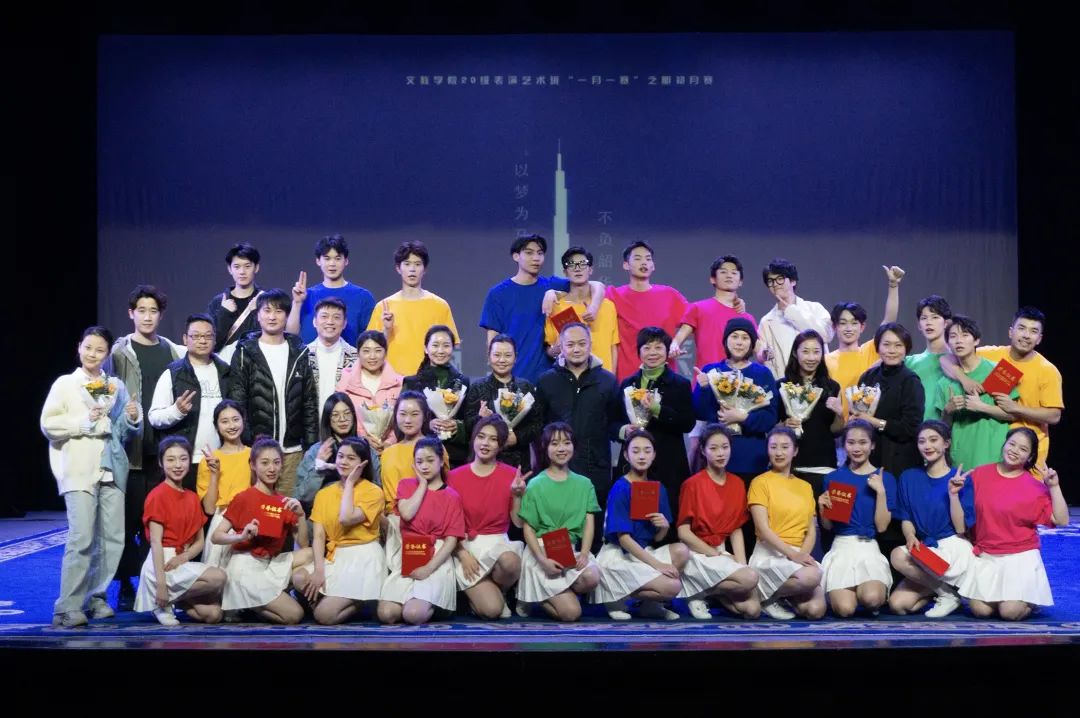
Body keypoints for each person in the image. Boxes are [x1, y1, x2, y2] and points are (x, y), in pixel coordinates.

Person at [41, 326, 141, 627]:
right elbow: (49, 425)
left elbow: (122, 431)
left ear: (107, 354)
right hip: (79, 470)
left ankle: (96, 597)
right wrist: (83, 422)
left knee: (112, 539)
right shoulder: (66, 384)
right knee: (82, 538)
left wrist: (131, 417)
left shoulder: (114, 386)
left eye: (99, 350)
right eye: (88, 348)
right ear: (79, 347)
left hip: (112, 468)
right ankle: (68, 606)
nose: (93, 354)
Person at [104, 285, 185, 607]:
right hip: (131, 450)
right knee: (128, 521)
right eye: (142, 311)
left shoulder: (172, 351)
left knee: (160, 523)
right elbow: (103, 391)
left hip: (163, 450)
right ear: (131, 313)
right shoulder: (119, 353)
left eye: (153, 311)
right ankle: (125, 583)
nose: (147, 317)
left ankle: (154, 583)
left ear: (161, 315)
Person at [959, 429, 1069, 621]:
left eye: (1023, 449)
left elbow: (1061, 520)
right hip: (987, 554)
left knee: (1009, 612)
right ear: (1004, 444)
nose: (1015, 450)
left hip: (1020, 557)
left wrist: (1054, 486)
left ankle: (1031, 601)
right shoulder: (979, 474)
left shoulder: (1034, 487)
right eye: (1012, 444)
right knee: (980, 611)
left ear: (1030, 457)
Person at [941, 306, 1063, 470]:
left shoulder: (1047, 370)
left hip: (1027, 452)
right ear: (1010, 332)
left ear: (1039, 338)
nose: (1026, 335)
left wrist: (1016, 408)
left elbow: (1054, 416)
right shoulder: (991, 354)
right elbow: (946, 359)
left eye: (1033, 331)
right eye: (1021, 328)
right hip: (995, 445)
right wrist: (964, 380)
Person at [227, 289, 319, 497]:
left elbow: (309, 402)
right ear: (258, 315)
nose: (272, 316)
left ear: (286, 316)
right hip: (257, 450)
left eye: (278, 311)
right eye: (267, 311)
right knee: (256, 508)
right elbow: (237, 401)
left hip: (293, 451)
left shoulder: (299, 351)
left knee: (289, 508)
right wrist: (248, 441)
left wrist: (311, 447)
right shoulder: (245, 352)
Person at [212, 437, 313, 625]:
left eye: (276, 462)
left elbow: (303, 544)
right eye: (265, 463)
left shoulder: (284, 502)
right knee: (294, 615)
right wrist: (241, 536)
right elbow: (216, 536)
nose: (271, 468)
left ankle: (249, 603)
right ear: (253, 465)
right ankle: (246, 600)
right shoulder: (244, 497)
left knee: (310, 553)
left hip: (269, 564)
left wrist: (301, 515)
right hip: (245, 567)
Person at [481, 234, 602, 384]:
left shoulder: (551, 284)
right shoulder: (498, 294)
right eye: (529, 253)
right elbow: (492, 338)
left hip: (548, 378)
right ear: (516, 256)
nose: (536, 258)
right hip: (512, 376)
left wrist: (593, 305)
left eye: (540, 253)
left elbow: (595, 285)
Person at [594, 430, 688, 621]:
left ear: (654, 455)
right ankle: (615, 596)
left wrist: (663, 527)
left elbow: (657, 538)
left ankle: (649, 605)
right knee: (672, 586)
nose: (642, 456)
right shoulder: (620, 488)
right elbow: (624, 539)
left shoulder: (658, 489)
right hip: (619, 554)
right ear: (626, 455)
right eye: (635, 451)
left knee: (682, 551)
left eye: (647, 450)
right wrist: (658, 565)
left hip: (644, 550)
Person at [292, 436, 386, 625]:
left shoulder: (373, 492)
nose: (343, 462)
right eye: (341, 456)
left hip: (364, 557)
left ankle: (361, 601)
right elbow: (319, 536)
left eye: (351, 458)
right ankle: (332, 602)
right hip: (336, 556)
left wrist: (350, 483)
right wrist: (319, 570)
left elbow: (346, 518)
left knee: (324, 616)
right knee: (299, 577)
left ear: (363, 463)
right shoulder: (324, 494)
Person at [888, 421, 977, 618]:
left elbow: (960, 528)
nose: (927, 446)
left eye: (933, 440)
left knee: (898, 555)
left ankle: (948, 591)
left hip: (953, 550)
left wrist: (953, 494)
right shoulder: (908, 477)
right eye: (922, 441)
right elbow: (906, 517)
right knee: (897, 605)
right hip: (925, 552)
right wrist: (910, 536)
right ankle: (946, 593)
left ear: (946, 443)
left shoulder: (960, 478)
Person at [135, 436, 226, 626]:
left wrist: (183, 557)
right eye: (171, 459)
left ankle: (168, 600)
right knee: (218, 577)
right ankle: (160, 596)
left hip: (180, 561)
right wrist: (161, 584)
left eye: (183, 459)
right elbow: (156, 542)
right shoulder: (157, 495)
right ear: (161, 462)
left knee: (214, 615)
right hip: (161, 564)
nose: (177, 465)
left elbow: (200, 542)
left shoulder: (192, 497)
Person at [515, 422, 602, 621]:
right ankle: (535, 594)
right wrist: (542, 560)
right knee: (571, 614)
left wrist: (585, 553)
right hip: (541, 551)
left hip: (569, 549)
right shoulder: (535, 484)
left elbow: (589, 523)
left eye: (566, 443)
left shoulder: (585, 484)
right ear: (545, 448)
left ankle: (552, 593)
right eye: (554, 444)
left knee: (592, 577)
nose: (561, 448)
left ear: (574, 446)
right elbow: (528, 528)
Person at [677, 424, 762, 620]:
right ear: (703, 450)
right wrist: (714, 554)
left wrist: (741, 563)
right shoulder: (692, 484)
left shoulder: (737, 483)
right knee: (750, 579)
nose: (720, 453)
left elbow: (736, 528)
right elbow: (683, 532)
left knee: (753, 610)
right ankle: (695, 589)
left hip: (722, 552)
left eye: (725, 447)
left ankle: (703, 591)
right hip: (698, 552)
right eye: (713, 448)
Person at [378, 437, 466, 625]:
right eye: (419, 462)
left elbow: (451, 540)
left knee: (413, 615)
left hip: (436, 558)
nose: (424, 466)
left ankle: (437, 606)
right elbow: (407, 514)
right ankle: (420, 601)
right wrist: (423, 486)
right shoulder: (406, 485)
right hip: (409, 553)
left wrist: (429, 568)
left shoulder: (452, 496)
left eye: (430, 460)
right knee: (386, 614)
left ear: (441, 461)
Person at [448, 416, 528, 619]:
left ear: (501, 445)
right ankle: (483, 597)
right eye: (481, 437)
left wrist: (518, 496)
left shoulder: (511, 475)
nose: (485, 443)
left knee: (511, 562)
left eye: (493, 439)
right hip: (465, 546)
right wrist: (462, 554)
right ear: (473, 439)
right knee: (492, 611)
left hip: (497, 544)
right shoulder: (454, 476)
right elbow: (447, 524)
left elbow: (518, 523)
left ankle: (499, 590)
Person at [535, 322, 620, 511]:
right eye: (570, 344)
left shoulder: (607, 381)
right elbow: (538, 425)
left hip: (596, 467)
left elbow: (614, 422)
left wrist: (625, 430)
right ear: (561, 346)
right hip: (556, 467)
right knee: (557, 520)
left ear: (590, 344)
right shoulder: (546, 380)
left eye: (582, 344)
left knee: (593, 522)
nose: (576, 349)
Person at [818, 420, 896, 617]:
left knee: (872, 599)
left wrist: (881, 492)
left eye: (863, 442)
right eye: (851, 442)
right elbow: (828, 526)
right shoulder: (833, 478)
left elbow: (882, 527)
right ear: (844, 445)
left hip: (869, 547)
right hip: (841, 547)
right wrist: (822, 507)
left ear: (872, 445)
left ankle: (871, 594)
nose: (856, 448)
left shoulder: (885, 478)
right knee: (844, 610)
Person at [614, 327, 695, 516]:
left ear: (667, 352)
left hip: (668, 464)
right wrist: (624, 430)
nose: (652, 353)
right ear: (639, 352)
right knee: (631, 517)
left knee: (665, 518)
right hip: (633, 464)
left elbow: (687, 422)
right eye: (647, 347)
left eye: (658, 347)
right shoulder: (627, 383)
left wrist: (658, 410)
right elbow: (613, 421)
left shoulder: (680, 384)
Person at [747, 427, 826, 620]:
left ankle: (778, 595)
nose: (779, 452)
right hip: (770, 553)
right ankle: (764, 596)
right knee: (812, 576)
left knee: (815, 610)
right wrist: (792, 554)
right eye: (773, 447)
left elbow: (811, 530)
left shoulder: (805, 486)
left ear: (795, 450)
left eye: (785, 447)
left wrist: (801, 555)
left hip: (797, 556)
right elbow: (763, 529)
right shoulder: (760, 482)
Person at [148, 313, 232, 491]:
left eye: (208, 336)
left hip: (218, 459)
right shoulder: (173, 373)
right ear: (185, 339)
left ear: (214, 339)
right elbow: (154, 417)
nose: (202, 341)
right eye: (196, 336)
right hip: (184, 461)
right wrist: (176, 411)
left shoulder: (226, 372)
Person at [692, 317, 779, 482]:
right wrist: (703, 389)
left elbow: (771, 418)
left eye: (745, 338)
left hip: (752, 458)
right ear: (726, 340)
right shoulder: (711, 370)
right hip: (716, 460)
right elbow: (699, 412)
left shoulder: (763, 374)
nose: (739, 342)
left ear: (752, 344)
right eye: (734, 336)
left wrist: (743, 417)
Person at [933, 316, 1019, 470]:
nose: (958, 340)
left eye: (965, 335)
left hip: (994, 457)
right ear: (948, 343)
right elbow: (943, 428)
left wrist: (981, 407)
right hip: (960, 461)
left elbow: (1013, 415)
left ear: (976, 340)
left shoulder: (998, 371)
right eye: (953, 336)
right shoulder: (944, 383)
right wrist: (947, 411)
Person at [367, 240, 460, 376]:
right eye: (407, 264)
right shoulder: (384, 307)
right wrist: (386, 330)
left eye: (417, 264)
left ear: (424, 269)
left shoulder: (439, 305)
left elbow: (452, 346)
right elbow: (371, 349)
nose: (412, 269)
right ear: (398, 268)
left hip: (430, 380)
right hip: (392, 381)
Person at [824, 265, 904, 416]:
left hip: (867, 424)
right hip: (838, 425)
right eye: (843, 323)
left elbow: (889, 320)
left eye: (854, 323)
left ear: (862, 327)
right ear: (835, 327)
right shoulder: (826, 360)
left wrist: (893, 285)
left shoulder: (870, 350)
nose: (849, 328)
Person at [605, 241, 689, 382]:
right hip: (627, 378)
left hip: (664, 377)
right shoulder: (613, 295)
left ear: (653, 266)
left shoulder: (669, 295)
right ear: (626, 265)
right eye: (637, 258)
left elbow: (692, 319)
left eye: (648, 259)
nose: (644, 262)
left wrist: (676, 342)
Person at [462, 334, 543, 472]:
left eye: (507, 355)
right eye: (497, 355)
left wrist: (517, 438)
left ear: (515, 357)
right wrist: (480, 419)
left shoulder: (525, 387)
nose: (502, 360)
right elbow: (468, 425)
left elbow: (537, 424)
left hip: (519, 461)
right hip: (485, 461)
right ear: (489, 357)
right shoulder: (478, 387)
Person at [853, 323, 925, 478]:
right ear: (878, 347)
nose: (892, 350)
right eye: (886, 344)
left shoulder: (910, 381)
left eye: (898, 345)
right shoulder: (868, 377)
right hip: (868, 457)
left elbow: (910, 428)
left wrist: (874, 422)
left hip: (899, 460)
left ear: (906, 349)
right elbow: (859, 414)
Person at [286, 234, 376, 347]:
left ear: (346, 261)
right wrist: (297, 302)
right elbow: (291, 336)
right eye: (327, 258)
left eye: (337, 258)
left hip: (349, 357)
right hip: (310, 357)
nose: (332, 264)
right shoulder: (306, 295)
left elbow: (371, 339)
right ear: (318, 261)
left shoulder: (363, 297)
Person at [336, 329, 403, 480]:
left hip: (391, 453)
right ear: (358, 353)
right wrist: (363, 438)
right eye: (366, 351)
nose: (372, 356)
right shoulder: (345, 383)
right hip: (356, 453)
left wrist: (389, 442)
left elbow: (403, 419)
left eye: (378, 350)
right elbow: (340, 418)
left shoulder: (399, 383)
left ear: (385, 352)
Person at [402, 325, 471, 467]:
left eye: (446, 345)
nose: (440, 351)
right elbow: (401, 420)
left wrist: (458, 427)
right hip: (420, 456)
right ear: (426, 349)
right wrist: (427, 425)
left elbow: (470, 418)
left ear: (453, 348)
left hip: (455, 457)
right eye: (435, 345)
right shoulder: (411, 382)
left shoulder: (463, 382)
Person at [542, 246, 620, 373]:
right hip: (568, 377)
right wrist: (556, 349)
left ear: (590, 269)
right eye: (571, 264)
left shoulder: (607, 306)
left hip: (602, 377)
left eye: (583, 263)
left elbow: (613, 347)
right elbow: (550, 350)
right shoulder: (556, 306)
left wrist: (612, 378)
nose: (577, 268)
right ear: (565, 272)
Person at [669, 254, 754, 368]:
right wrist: (674, 345)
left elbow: (760, 350)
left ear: (740, 282)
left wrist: (765, 353)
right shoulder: (698, 308)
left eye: (734, 273)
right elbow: (679, 337)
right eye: (723, 272)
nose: (729, 275)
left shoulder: (746, 318)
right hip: (705, 376)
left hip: (737, 378)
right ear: (713, 279)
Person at [757, 258, 833, 378]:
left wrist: (791, 311)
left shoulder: (815, 308)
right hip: (786, 384)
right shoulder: (766, 321)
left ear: (793, 281)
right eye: (771, 281)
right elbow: (764, 358)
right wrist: (764, 354)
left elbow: (826, 335)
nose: (775, 284)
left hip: (818, 381)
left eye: (780, 279)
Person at [196, 400, 250, 568]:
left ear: (243, 420)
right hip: (222, 523)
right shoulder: (209, 461)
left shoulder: (254, 455)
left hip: (251, 521)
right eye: (224, 421)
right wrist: (214, 473)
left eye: (235, 419)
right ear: (216, 426)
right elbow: (209, 508)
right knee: (218, 576)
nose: (231, 426)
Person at [379, 391, 447, 513]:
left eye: (414, 414)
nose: (408, 420)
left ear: (425, 416)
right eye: (402, 414)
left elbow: (445, 485)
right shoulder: (387, 453)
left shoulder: (435, 448)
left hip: (427, 515)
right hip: (393, 518)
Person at [294, 393, 361, 517]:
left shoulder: (366, 448)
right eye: (335, 415)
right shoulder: (315, 451)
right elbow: (301, 497)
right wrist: (318, 466)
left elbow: (376, 488)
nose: (342, 419)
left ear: (353, 416)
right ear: (327, 419)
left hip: (356, 513)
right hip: (322, 515)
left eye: (347, 413)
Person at [208, 243, 263, 354]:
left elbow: (271, 339)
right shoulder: (218, 302)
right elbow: (210, 343)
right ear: (230, 269)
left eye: (247, 266)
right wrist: (224, 313)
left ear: (256, 268)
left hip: (255, 362)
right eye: (237, 267)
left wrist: (256, 312)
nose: (242, 272)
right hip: (224, 363)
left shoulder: (265, 300)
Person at [904, 294, 953, 419]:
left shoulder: (959, 360)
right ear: (919, 325)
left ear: (946, 323)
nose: (929, 322)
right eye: (924, 318)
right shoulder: (909, 362)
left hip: (950, 428)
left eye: (935, 317)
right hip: (917, 429)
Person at [306, 297, 358, 410]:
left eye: (336, 317)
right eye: (324, 316)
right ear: (314, 322)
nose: (330, 322)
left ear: (344, 323)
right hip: (310, 419)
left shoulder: (356, 357)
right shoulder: (302, 355)